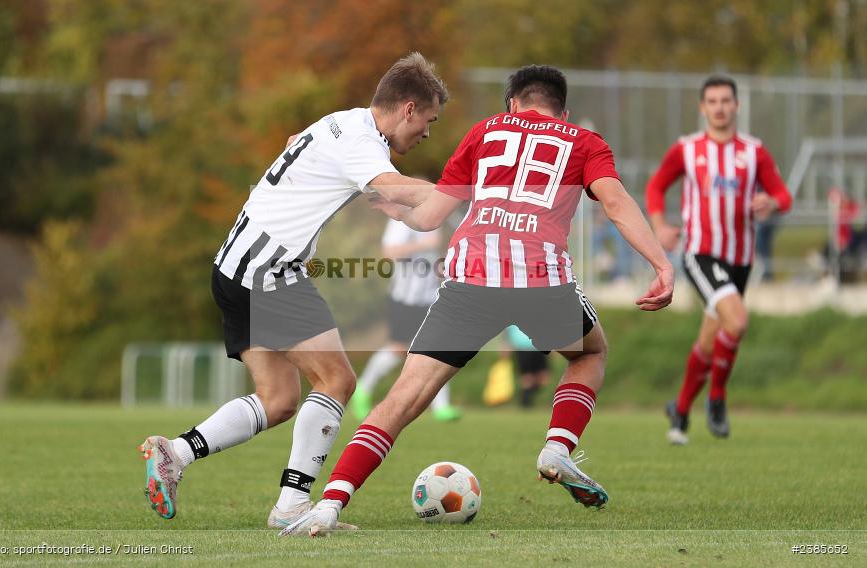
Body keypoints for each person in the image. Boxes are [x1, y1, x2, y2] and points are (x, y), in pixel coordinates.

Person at [280, 64, 674, 536]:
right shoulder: (583, 141)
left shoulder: (485, 131)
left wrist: (397, 209)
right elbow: (615, 202)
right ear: (562, 111)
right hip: (538, 278)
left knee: (403, 399)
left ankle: (329, 504)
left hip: (470, 276)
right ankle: (557, 447)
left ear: (513, 103)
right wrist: (661, 264)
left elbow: (429, 218)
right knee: (590, 354)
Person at [139, 52, 449, 527]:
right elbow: (396, 185)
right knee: (338, 381)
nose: (427, 133)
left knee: (279, 398)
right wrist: (467, 190)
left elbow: (296, 145)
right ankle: (292, 507)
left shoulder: (340, 123)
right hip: (268, 269)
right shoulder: (363, 143)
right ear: (407, 108)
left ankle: (174, 453)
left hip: (234, 265)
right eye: (427, 120)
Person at [645, 74, 792, 445]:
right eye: (712, 101)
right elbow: (657, 185)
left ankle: (679, 409)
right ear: (702, 107)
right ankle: (717, 398)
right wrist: (660, 223)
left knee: (710, 341)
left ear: (737, 106)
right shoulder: (688, 149)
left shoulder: (754, 152)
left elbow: (783, 195)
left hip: (740, 259)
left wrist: (771, 203)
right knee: (738, 322)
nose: (720, 108)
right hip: (701, 253)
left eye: (726, 101)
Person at [351, 218, 461, 422]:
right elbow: (390, 252)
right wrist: (424, 245)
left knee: (438, 347)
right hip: (405, 297)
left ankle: (441, 407)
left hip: (429, 295)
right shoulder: (403, 220)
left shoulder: (437, 218)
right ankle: (362, 390)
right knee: (398, 349)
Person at [503, 325, 551, 408]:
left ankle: (531, 397)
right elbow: (507, 328)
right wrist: (505, 345)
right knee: (527, 377)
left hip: (540, 346)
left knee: (543, 377)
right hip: (522, 347)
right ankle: (525, 402)